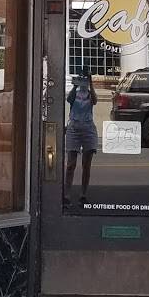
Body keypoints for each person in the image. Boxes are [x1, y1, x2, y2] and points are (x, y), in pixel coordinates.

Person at [64, 68, 98, 208]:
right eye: (82, 79)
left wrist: (91, 82)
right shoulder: (75, 93)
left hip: (88, 128)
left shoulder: (90, 94)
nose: (84, 82)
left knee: (86, 165)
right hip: (74, 127)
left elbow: (95, 101)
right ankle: (66, 195)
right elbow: (69, 99)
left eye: (85, 80)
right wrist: (75, 85)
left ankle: (83, 195)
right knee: (71, 164)